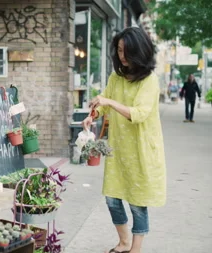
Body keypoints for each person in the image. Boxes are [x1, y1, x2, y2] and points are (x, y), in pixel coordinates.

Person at [82, 27, 166, 253]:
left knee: (137, 202)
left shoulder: (149, 81)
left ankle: (135, 248)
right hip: (117, 149)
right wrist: (93, 116)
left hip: (141, 149)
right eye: (119, 50)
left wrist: (108, 103)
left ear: (139, 51)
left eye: (127, 51)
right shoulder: (116, 77)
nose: (122, 56)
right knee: (112, 198)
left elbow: (138, 114)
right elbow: (104, 103)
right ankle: (124, 241)